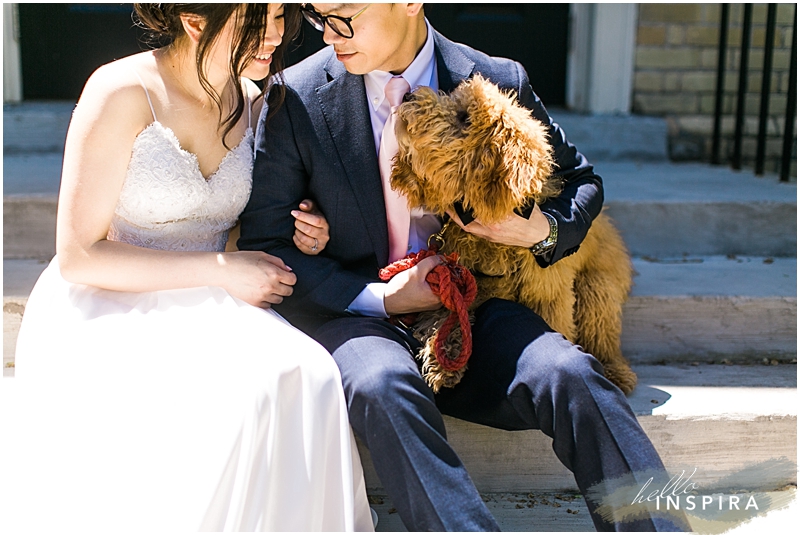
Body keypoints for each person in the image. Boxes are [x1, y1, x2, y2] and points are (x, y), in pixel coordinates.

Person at [238, 3, 691, 532]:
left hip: (477, 307)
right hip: (359, 315)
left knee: (569, 373)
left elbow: (581, 182)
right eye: (319, 16)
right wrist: (383, 297)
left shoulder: (497, 79)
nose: (330, 33)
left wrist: (538, 230)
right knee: (381, 383)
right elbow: (267, 244)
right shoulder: (297, 94)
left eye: (344, 13)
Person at [0, 4, 373, 532]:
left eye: (279, 14)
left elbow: (242, 223)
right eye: (255, 18)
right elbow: (79, 256)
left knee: (308, 373)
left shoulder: (255, 100)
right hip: (109, 301)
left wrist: (305, 232)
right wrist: (221, 269)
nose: (275, 33)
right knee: (231, 393)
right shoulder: (120, 92)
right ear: (195, 20)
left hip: (214, 299)